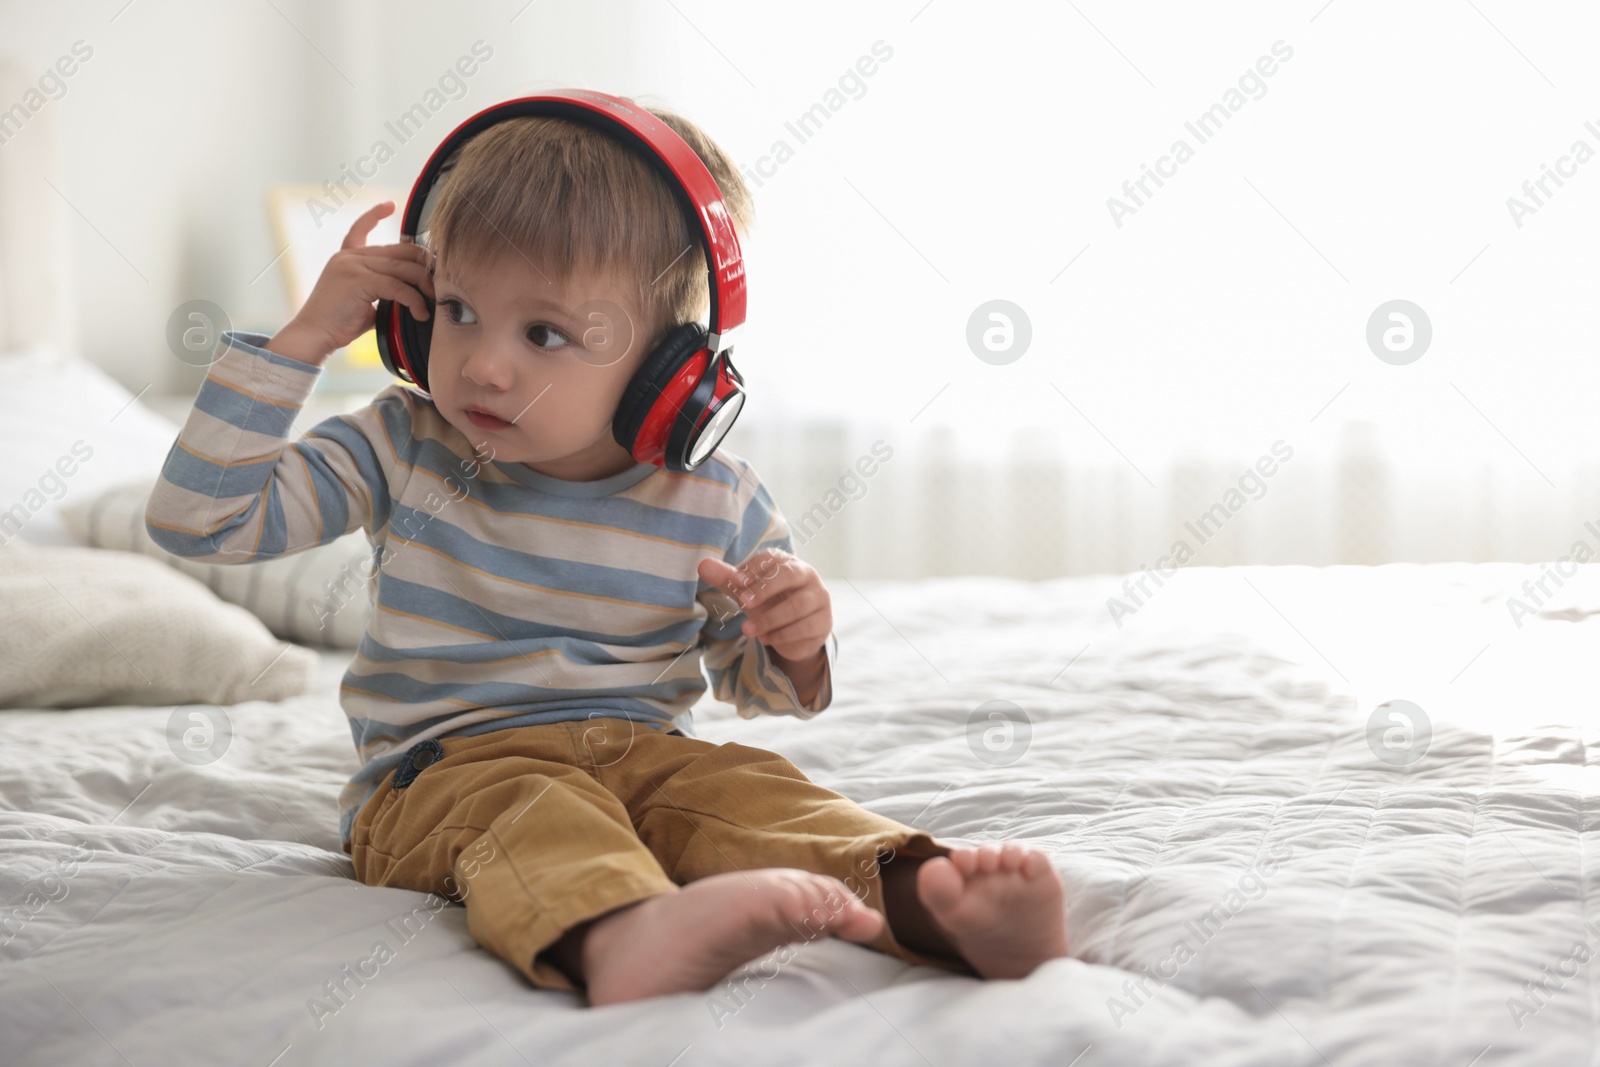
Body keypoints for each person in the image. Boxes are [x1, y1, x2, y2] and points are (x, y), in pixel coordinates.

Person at [144, 98, 1069, 1006]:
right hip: (445, 777)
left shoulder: (717, 498)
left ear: (674, 375)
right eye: (458, 310)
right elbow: (202, 521)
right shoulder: (402, 445)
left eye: (542, 333)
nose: (482, 365)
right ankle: (619, 932)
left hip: (645, 757)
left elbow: (758, 686)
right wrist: (303, 340)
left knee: (744, 789)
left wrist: (791, 639)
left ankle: (923, 897)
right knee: (537, 813)